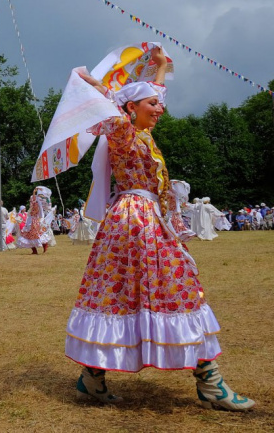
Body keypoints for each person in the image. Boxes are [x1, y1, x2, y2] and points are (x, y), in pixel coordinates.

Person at [68, 48, 254, 410]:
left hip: (139, 220)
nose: (160, 108)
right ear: (131, 108)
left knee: (120, 295)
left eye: (159, 103)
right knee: (176, 287)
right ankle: (209, 382)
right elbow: (111, 108)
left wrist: (163, 68)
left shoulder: (142, 135)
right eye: (152, 103)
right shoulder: (122, 132)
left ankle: (92, 379)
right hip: (135, 221)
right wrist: (96, 85)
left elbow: (150, 94)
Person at [16, 186, 54, 254]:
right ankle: (35, 250)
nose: (30, 201)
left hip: (33, 222)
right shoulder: (34, 206)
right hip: (30, 221)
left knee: (35, 234)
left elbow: (34, 202)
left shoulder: (35, 205)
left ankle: (43, 246)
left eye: (31, 199)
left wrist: (34, 193)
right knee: (29, 236)